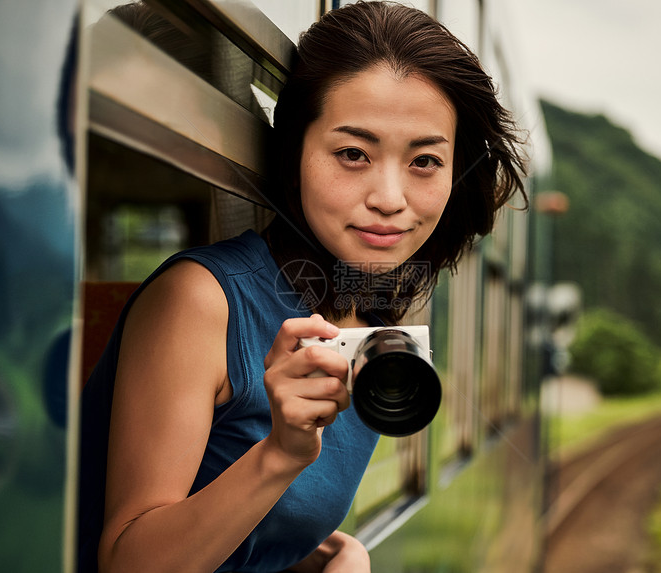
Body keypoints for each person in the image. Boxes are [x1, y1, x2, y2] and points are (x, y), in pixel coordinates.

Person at [77, 2, 527, 572]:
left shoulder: (368, 327)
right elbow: (128, 562)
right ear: (295, 154)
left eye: (425, 161)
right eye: (352, 154)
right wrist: (280, 456)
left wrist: (330, 552)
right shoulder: (201, 298)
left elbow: (244, 541)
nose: (390, 197)